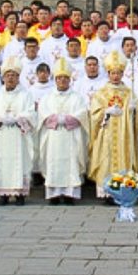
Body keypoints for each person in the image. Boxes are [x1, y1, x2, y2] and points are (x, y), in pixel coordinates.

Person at [88, 51, 138, 203]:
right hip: (107, 134)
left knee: (123, 160)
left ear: (122, 74)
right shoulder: (101, 93)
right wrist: (106, 112)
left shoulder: (129, 92)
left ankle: (123, 192)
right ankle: (107, 193)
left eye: (118, 73)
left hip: (124, 136)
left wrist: (133, 110)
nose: (116, 76)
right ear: (108, 74)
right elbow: (94, 114)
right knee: (107, 160)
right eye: (113, 73)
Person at [37, 58, 90, 205]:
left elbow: (82, 114)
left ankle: (69, 195)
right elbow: (42, 113)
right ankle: (53, 195)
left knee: (71, 163)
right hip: (53, 137)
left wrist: (66, 119)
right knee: (53, 163)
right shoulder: (47, 97)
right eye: (59, 78)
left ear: (70, 80)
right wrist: (54, 119)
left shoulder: (77, 97)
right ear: (55, 79)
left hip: (71, 136)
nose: (62, 81)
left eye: (65, 78)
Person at [0, 58, 37, 205]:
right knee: (1, 162)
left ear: (18, 77)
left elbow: (31, 113)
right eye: (8, 75)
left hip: (18, 134)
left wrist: (18, 119)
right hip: (1, 134)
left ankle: (20, 194)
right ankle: (3, 194)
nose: (10, 78)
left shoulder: (25, 95)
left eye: (13, 75)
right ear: (3, 77)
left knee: (19, 162)